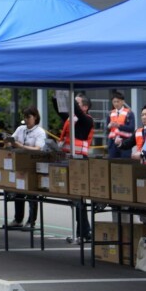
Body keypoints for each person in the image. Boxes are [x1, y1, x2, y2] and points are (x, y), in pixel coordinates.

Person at [54, 92, 94, 241]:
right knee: (74, 199)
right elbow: (59, 109)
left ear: (85, 106)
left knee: (79, 198)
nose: (73, 105)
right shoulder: (72, 118)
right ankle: (82, 232)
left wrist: (68, 97)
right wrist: (57, 95)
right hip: (69, 159)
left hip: (79, 161)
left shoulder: (86, 120)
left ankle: (84, 231)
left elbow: (76, 111)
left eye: (76, 103)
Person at [7, 106, 46, 229]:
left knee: (32, 195)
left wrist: (21, 146)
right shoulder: (20, 129)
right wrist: (9, 142)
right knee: (18, 193)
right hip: (20, 164)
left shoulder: (39, 132)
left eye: (29, 117)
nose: (27, 120)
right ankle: (18, 219)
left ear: (35, 117)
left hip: (34, 166)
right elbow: (12, 140)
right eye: (25, 117)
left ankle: (31, 221)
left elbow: (38, 148)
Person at [106, 91, 135, 159]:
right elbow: (106, 129)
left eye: (118, 101)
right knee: (112, 162)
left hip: (125, 141)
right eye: (114, 102)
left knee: (125, 162)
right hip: (113, 142)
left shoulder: (129, 113)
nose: (116, 104)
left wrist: (119, 126)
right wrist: (109, 126)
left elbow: (131, 128)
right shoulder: (110, 113)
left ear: (122, 102)